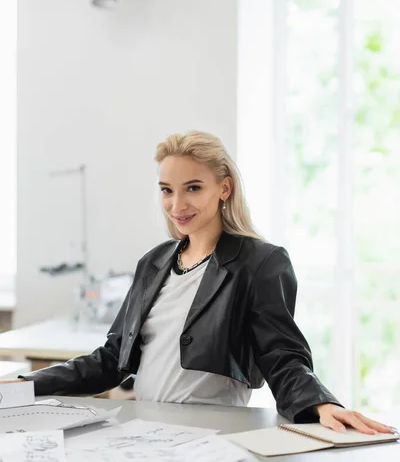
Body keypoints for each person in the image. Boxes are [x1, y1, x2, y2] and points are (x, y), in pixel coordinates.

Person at [3, 131, 394, 434]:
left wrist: (320, 404)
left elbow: (281, 356)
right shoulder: (154, 262)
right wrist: (23, 385)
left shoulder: (260, 263)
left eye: (193, 188)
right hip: (144, 431)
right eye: (166, 191)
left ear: (224, 188)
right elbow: (110, 360)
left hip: (215, 434)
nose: (177, 206)